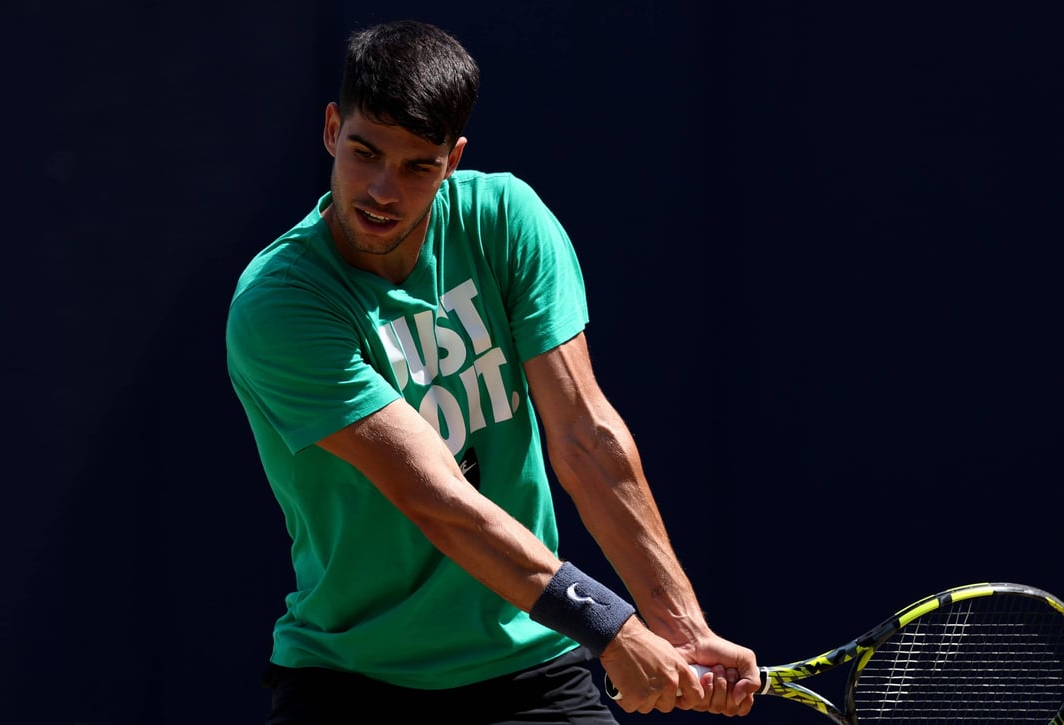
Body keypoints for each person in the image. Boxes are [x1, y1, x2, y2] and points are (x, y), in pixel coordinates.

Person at [226, 19, 759, 724]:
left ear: (453, 159)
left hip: (532, 668)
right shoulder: (281, 303)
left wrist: (680, 625)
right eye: (365, 152)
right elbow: (438, 498)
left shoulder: (505, 220)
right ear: (331, 129)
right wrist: (613, 626)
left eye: (419, 164)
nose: (383, 190)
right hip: (353, 683)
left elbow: (587, 438)